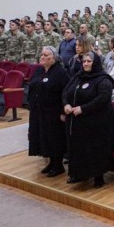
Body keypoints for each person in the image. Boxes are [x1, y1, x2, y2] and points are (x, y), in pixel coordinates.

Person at [62, 52, 114, 188]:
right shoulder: (78, 76)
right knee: (78, 148)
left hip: (97, 122)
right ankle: (78, 174)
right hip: (77, 121)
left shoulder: (103, 79)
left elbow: (102, 98)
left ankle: (98, 176)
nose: (86, 64)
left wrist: (83, 108)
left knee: (94, 149)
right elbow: (65, 91)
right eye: (84, 61)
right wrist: (66, 104)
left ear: (96, 63)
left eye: (89, 61)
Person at [28, 46, 70, 178]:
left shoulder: (60, 73)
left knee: (54, 137)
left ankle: (58, 165)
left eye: (46, 55)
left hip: (54, 112)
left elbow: (66, 93)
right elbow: (32, 87)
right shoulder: (39, 70)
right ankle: (51, 163)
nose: (42, 57)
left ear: (54, 58)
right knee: (43, 137)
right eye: (42, 55)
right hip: (38, 111)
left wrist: (63, 111)